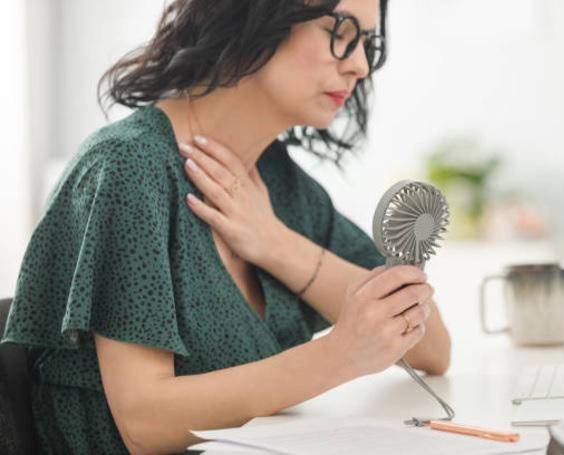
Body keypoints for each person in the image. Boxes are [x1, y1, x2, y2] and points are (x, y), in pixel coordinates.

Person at [1, 0, 451, 453]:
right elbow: (143, 422)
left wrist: (276, 244)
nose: (359, 65)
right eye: (340, 31)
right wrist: (339, 355)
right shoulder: (127, 168)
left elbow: (432, 347)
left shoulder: (278, 184)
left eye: (367, 42)